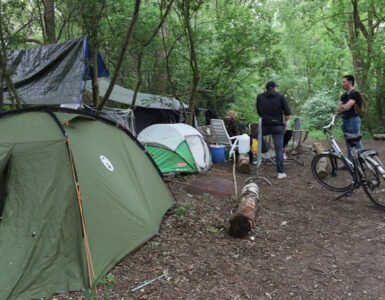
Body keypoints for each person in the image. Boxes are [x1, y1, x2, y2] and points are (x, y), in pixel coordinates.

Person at [256, 81, 291, 179]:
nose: (277, 89)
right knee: (279, 149)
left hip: (265, 125)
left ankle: (264, 152)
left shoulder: (260, 97)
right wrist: (286, 125)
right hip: (277, 126)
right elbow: (287, 114)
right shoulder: (281, 97)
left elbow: (259, 112)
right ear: (273, 88)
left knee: (256, 133)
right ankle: (280, 173)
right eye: (276, 87)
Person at [337, 75, 363, 161]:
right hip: (345, 121)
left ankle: (362, 161)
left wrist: (343, 106)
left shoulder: (355, 93)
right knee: (348, 143)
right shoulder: (344, 95)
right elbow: (338, 108)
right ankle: (351, 163)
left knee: (356, 142)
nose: (342, 84)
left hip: (354, 120)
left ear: (350, 82)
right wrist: (342, 106)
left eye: (344, 82)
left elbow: (346, 107)